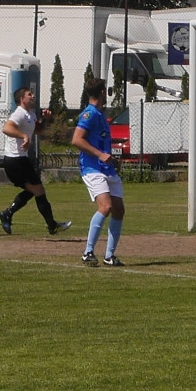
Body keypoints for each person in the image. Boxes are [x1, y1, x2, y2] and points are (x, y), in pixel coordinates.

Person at [0, 87, 71, 236]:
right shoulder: (19, 113)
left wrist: (45, 120)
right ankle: (51, 225)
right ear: (21, 99)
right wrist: (24, 136)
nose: (33, 96)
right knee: (38, 191)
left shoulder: (29, 113)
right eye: (29, 94)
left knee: (35, 191)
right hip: (15, 160)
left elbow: (39, 131)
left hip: (20, 160)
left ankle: (8, 213)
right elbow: (6, 128)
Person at [71, 77, 124, 266]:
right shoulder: (89, 114)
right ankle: (88, 252)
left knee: (118, 210)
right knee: (106, 207)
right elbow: (76, 139)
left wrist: (111, 158)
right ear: (102, 92)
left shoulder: (100, 114)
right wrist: (100, 154)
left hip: (106, 168)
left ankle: (109, 256)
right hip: (92, 168)